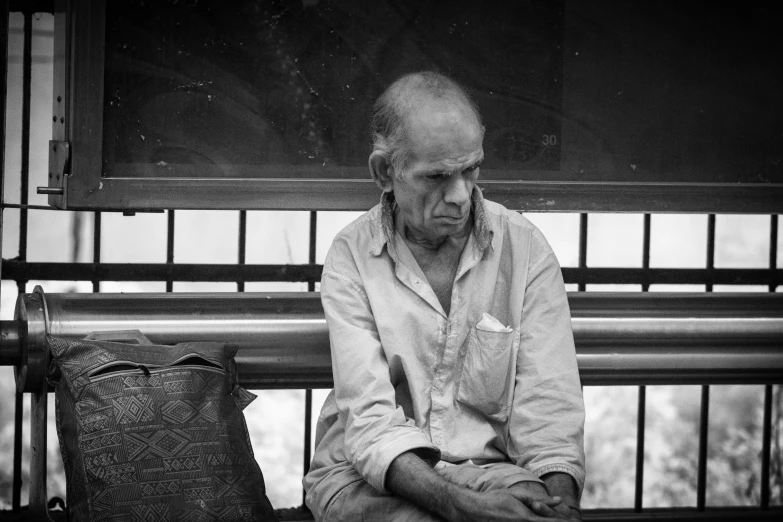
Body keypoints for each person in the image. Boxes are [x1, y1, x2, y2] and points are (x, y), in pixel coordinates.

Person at [303, 71, 585, 521]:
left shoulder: (524, 248)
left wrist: (558, 504)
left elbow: (548, 405)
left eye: (470, 170)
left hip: (490, 472)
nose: (459, 196)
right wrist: (464, 508)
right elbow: (371, 426)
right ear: (385, 172)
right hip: (362, 478)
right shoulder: (352, 256)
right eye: (436, 176)